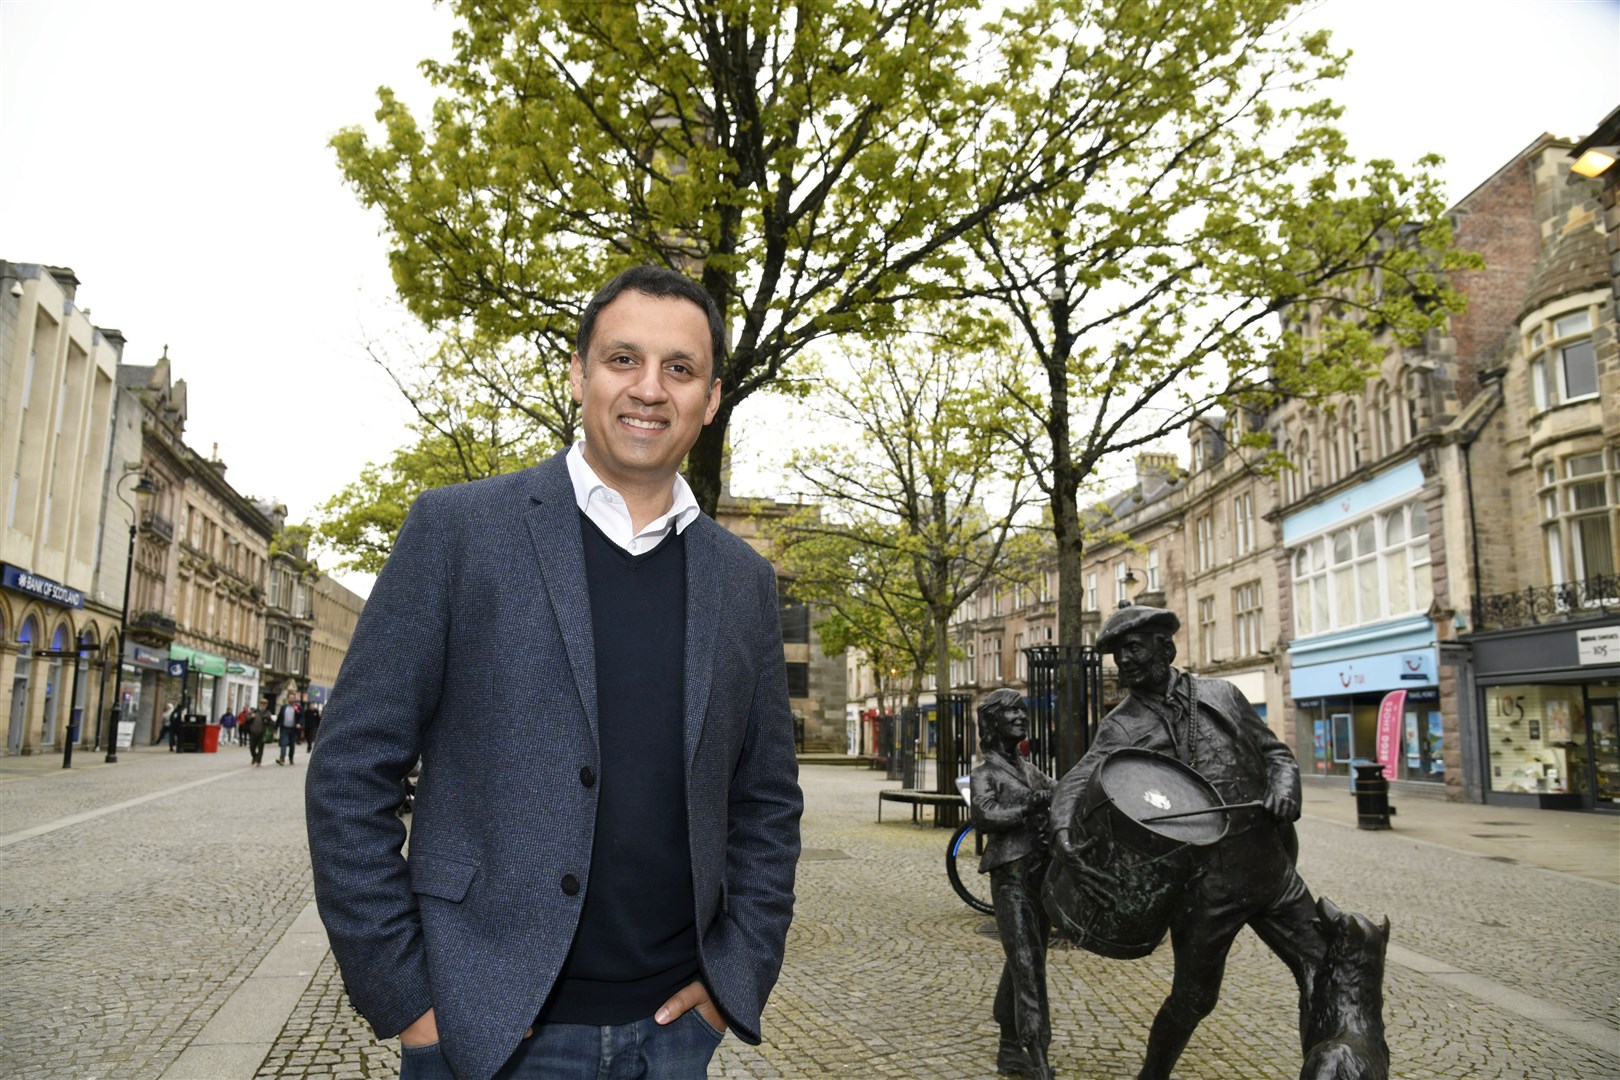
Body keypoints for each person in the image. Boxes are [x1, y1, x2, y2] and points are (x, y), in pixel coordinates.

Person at [306, 265, 803, 1080]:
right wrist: (408, 997)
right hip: (485, 1035)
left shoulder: (741, 580)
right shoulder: (457, 532)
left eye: (679, 369)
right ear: (577, 373)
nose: (650, 389)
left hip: (674, 1036)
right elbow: (350, 773)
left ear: (710, 400)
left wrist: (734, 979)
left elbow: (766, 801)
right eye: (622, 360)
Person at [1049, 605, 1324, 1080]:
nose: (1124, 662)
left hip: (1270, 869)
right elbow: (1078, 779)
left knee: (1321, 970)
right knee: (1195, 998)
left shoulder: (1222, 693)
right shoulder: (1122, 723)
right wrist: (1061, 830)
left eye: (1133, 648)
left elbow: (1276, 753)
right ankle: (1152, 1076)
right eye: (1117, 654)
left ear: (1166, 646)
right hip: (1205, 887)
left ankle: (1323, 1068)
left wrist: (1284, 790)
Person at [970, 688, 1057, 1080]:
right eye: (1010, 712)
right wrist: (1028, 807)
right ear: (992, 722)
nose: (1021, 716)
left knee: (1025, 959)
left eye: (1023, 710)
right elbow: (984, 816)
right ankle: (1037, 1053)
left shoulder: (1029, 767)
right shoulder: (984, 773)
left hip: (1039, 877)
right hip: (1011, 879)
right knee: (1027, 965)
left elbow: (1058, 791)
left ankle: (1008, 1048)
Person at [275, 698, 301, 765]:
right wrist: (276, 727)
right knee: (284, 743)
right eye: (290, 698)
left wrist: (299, 723)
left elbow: (301, 717)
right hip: (284, 728)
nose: (291, 699)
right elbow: (279, 717)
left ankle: (291, 758)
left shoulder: (297, 707)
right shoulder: (283, 707)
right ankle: (282, 758)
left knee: (292, 745)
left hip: (293, 729)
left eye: (292, 698)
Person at [244, 703, 269, 767]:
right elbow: (247, 718)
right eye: (262, 705)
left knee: (260, 748)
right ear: (259, 705)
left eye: (264, 705)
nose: (263, 706)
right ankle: (254, 756)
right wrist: (251, 717)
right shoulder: (254, 711)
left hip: (262, 733)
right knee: (252, 747)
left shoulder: (267, 712)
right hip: (253, 732)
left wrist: (267, 720)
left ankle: (258, 761)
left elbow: (270, 721)